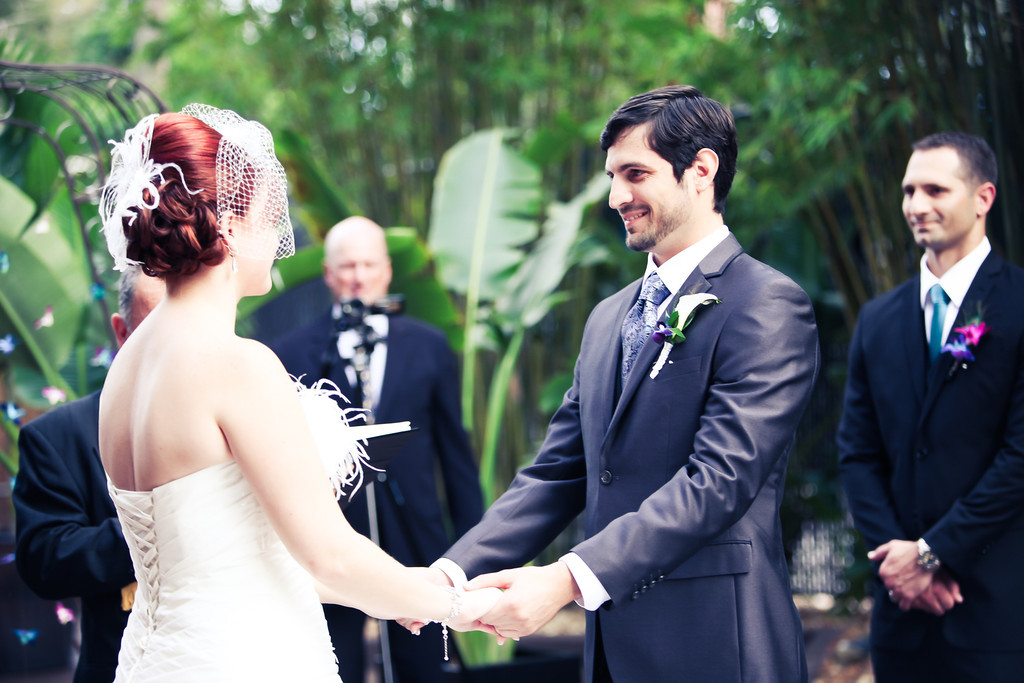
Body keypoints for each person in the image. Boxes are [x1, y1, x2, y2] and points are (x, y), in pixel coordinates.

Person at [414, 85, 820, 682]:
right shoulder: (608, 316)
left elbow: (719, 481)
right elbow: (559, 472)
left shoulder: (766, 303)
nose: (615, 198)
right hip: (611, 652)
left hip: (716, 644)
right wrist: (449, 572)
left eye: (635, 174)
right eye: (611, 176)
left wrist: (565, 579)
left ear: (701, 170)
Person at [93, 104, 499, 682]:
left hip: (155, 660)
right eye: (267, 216)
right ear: (229, 226)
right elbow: (328, 553)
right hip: (248, 657)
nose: (279, 236)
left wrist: (394, 594)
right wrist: (458, 604)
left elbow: (235, 556)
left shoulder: (126, 368)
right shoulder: (236, 363)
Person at [838, 131, 1024, 681]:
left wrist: (934, 554)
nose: (917, 206)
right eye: (909, 191)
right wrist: (900, 566)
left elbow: (1020, 457)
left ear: (983, 198)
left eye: (936, 190)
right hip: (902, 622)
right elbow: (857, 452)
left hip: (994, 610)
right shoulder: (878, 319)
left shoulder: (1017, 305)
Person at [271, 216, 483, 683]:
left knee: (424, 666)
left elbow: (455, 454)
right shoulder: (290, 352)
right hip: (332, 542)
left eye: (369, 265)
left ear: (387, 270)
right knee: (334, 663)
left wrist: (476, 547)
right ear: (328, 273)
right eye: (347, 266)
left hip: (416, 535)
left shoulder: (428, 344)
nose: (359, 277)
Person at [13, 268, 165, 683]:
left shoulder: (245, 416)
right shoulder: (57, 437)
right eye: (157, 327)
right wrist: (166, 525)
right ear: (121, 331)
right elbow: (44, 559)